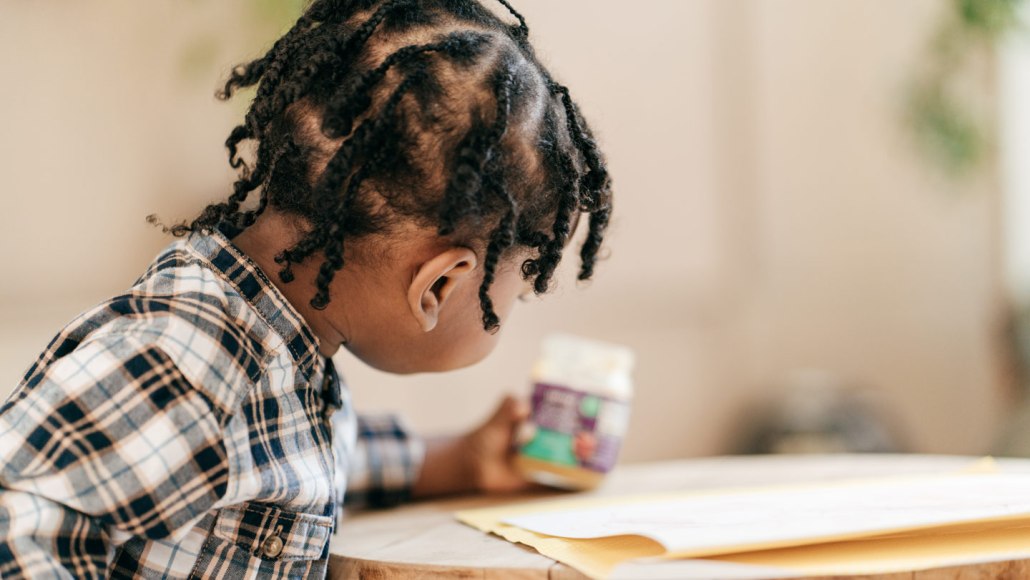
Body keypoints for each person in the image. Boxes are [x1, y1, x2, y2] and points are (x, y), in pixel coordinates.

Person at [0, 0, 612, 577]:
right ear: (441, 285)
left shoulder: (284, 361)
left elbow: (293, 461)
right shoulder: (189, 363)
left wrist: (462, 459)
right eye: (520, 288)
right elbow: (15, 523)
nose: (512, 308)